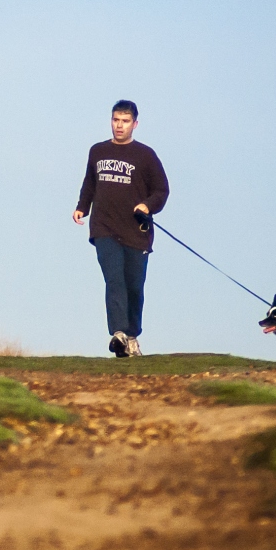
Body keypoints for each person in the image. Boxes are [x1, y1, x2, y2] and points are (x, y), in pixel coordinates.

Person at [73, 100, 169, 357]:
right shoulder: (98, 151)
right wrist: (82, 207)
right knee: (114, 279)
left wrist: (147, 206)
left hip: (136, 232)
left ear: (135, 124)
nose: (119, 125)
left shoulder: (146, 156)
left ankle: (132, 335)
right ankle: (118, 334)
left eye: (125, 121)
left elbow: (161, 190)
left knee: (134, 286)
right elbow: (90, 183)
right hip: (104, 228)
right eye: (116, 120)